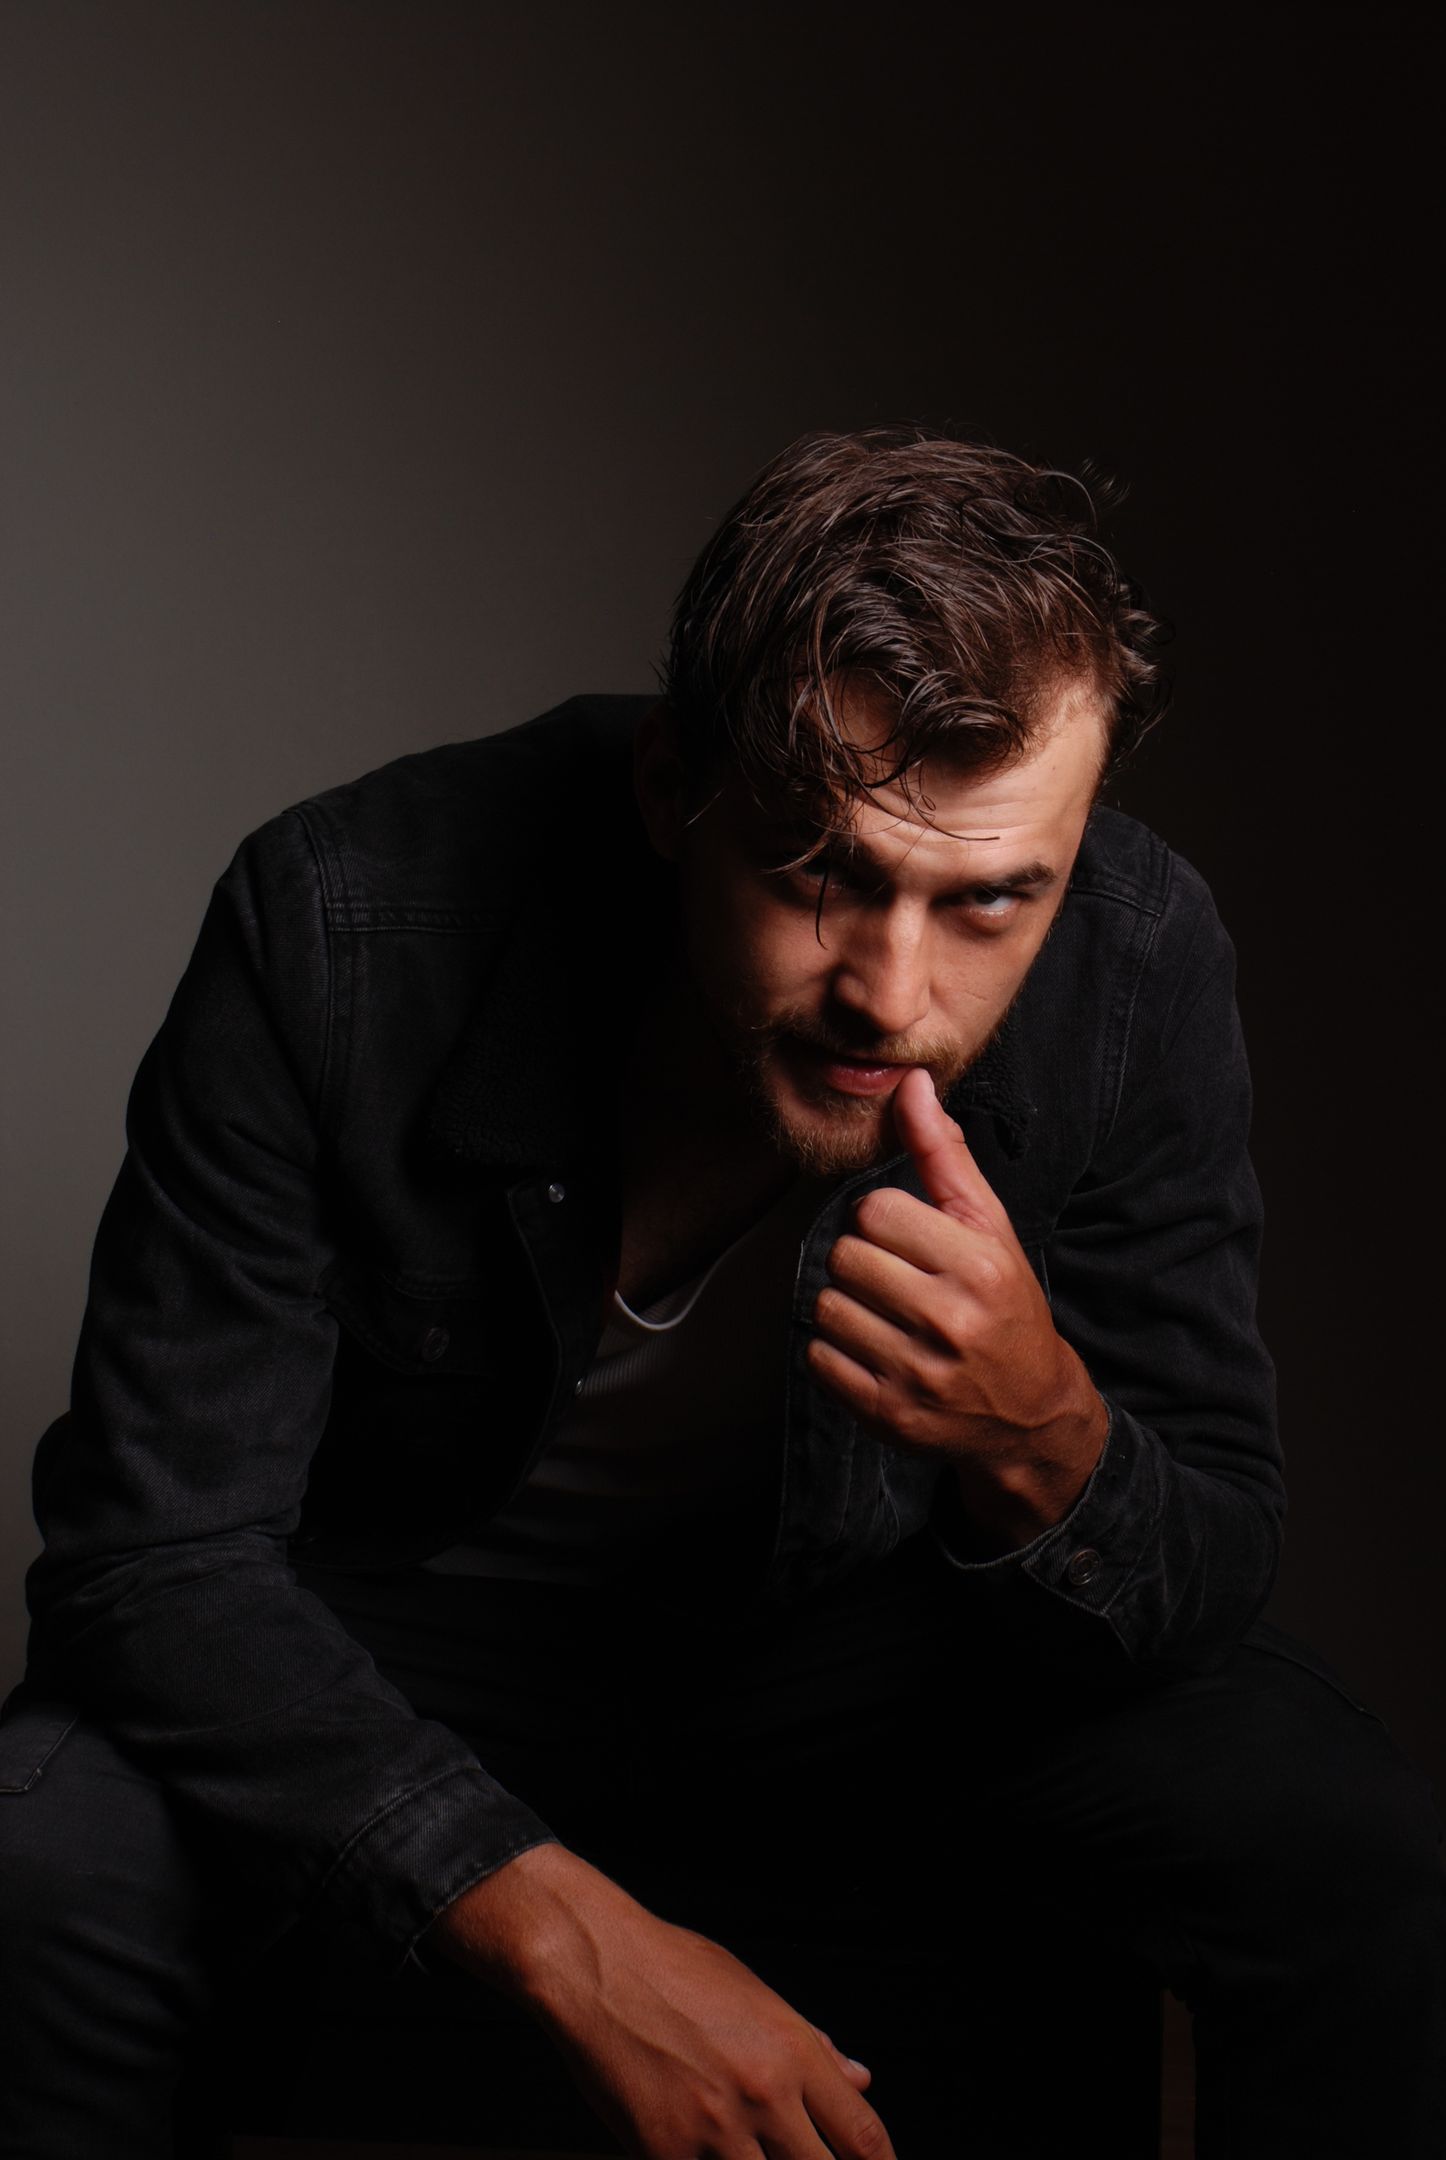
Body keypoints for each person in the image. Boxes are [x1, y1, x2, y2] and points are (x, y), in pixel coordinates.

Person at [1, 427, 1441, 2159]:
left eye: (991, 901)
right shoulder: (346, 919)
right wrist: (571, 1936)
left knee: (1339, 1840)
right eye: (821, 871)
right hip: (403, 1639)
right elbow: (150, 1556)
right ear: (672, 787)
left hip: (860, 1663)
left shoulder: (1134, 958)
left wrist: (1045, 1432)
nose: (889, 992)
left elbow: (1209, 1555)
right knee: (47, 1844)